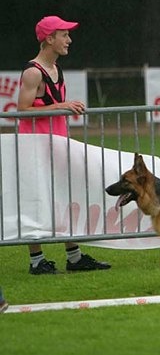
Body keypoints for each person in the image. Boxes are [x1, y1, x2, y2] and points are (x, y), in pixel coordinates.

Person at [17, 15, 111, 275]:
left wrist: (63, 108)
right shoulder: (33, 72)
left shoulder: (56, 70)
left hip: (56, 144)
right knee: (37, 201)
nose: (69, 40)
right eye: (64, 35)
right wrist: (61, 106)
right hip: (35, 147)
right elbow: (22, 110)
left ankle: (74, 257)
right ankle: (37, 261)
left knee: (66, 196)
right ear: (49, 39)